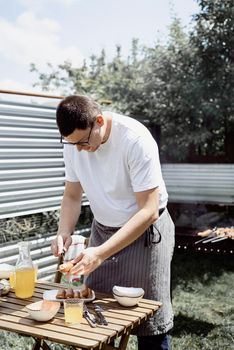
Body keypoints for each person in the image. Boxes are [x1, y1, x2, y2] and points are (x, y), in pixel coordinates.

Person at [51, 94, 175, 350]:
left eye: (83, 142)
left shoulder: (135, 139)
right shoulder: (74, 142)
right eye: (72, 144)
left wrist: (100, 253)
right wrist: (64, 231)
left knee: (148, 321)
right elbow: (73, 195)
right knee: (94, 312)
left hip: (145, 234)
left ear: (98, 121)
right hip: (103, 231)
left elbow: (149, 210)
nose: (79, 150)